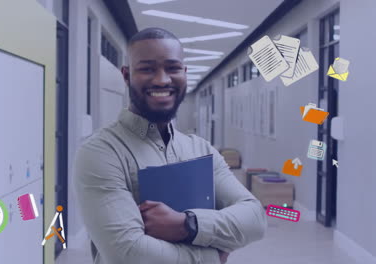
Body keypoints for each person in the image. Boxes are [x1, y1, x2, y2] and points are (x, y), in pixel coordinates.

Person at [73, 27, 267, 264]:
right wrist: (211, 258)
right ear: (126, 75)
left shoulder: (201, 149)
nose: (162, 79)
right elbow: (127, 253)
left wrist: (188, 225)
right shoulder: (102, 152)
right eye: (147, 68)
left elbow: (255, 218)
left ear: (184, 73)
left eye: (173, 68)